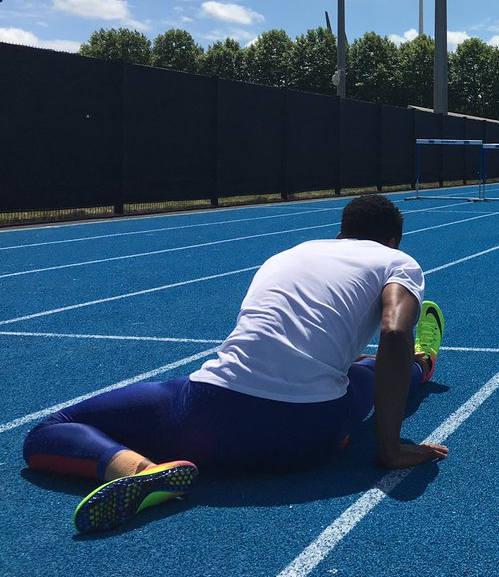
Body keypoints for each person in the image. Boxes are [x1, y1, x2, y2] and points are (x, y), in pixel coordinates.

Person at [23, 194, 448, 534]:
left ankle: (137, 469)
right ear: (393, 241)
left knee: (50, 428)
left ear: (340, 234)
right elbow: (393, 331)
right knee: (371, 369)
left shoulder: (289, 255)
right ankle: (422, 364)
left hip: (207, 424)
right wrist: (389, 448)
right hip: (309, 436)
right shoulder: (397, 262)